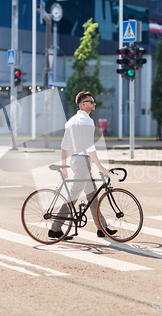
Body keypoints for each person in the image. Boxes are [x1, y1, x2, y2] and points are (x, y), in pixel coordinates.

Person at [49, 91, 116, 239]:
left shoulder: (71, 121)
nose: (94, 103)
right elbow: (89, 146)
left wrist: (65, 166)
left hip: (75, 161)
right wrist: (101, 167)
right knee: (74, 195)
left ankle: (102, 228)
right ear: (83, 104)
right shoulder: (87, 121)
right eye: (91, 101)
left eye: (93, 101)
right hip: (82, 161)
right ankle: (54, 228)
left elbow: (64, 145)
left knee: (92, 195)